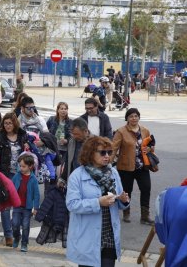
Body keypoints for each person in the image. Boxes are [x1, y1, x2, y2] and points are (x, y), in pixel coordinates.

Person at [66, 136, 130, 267]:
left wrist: (123, 200)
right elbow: (72, 204)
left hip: (109, 234)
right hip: (87, 235)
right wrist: (98, 202)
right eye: (102, 152)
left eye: (109, 152)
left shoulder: (113, 173)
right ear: (90, 153)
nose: (107, 156)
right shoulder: (77, 175)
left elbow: (118, 200)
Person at [111, 108, 155, 225]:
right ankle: (126, 212)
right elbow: (114, 148)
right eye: (131, 116)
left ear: (139, 117)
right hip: (125, 167)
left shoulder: (145, 130)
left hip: (142, 166)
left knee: (146, 189)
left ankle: (145, 216)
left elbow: (151, 145)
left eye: (136, 116)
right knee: (127, 191)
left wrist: (149, 148)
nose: (134, 118)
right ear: (127, 118)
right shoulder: (121, 131)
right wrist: (108, 164)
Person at [0, 113, 27, 246]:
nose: (7, 126)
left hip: (20, 174)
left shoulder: (22, 135)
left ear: (14, 123)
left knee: (19, 204)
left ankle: (17, 231)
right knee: (6, 204)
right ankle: (8, 235)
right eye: (5, 123)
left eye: (10, 123)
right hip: (5, 174)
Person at [11, 154, 40, 252]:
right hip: (17, 206)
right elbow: (11, 188)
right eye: (20, 166)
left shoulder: (33, 179)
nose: (21, 168)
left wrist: (36, 208)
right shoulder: (16, 176)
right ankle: (16, 237)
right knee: (15, 224)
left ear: (30, 166)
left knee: (26, 226)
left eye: (23, 166)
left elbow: (36, 194)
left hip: (27, 208)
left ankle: (24, 243)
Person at [58, 118, 91, 189]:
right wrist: (63, 179)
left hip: (88, 182)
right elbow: (68, 161)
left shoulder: (94, 142)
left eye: (77, 134)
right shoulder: (71, 141)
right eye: (73, 134)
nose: (74, 136)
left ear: (85, 131)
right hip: (73, 180)